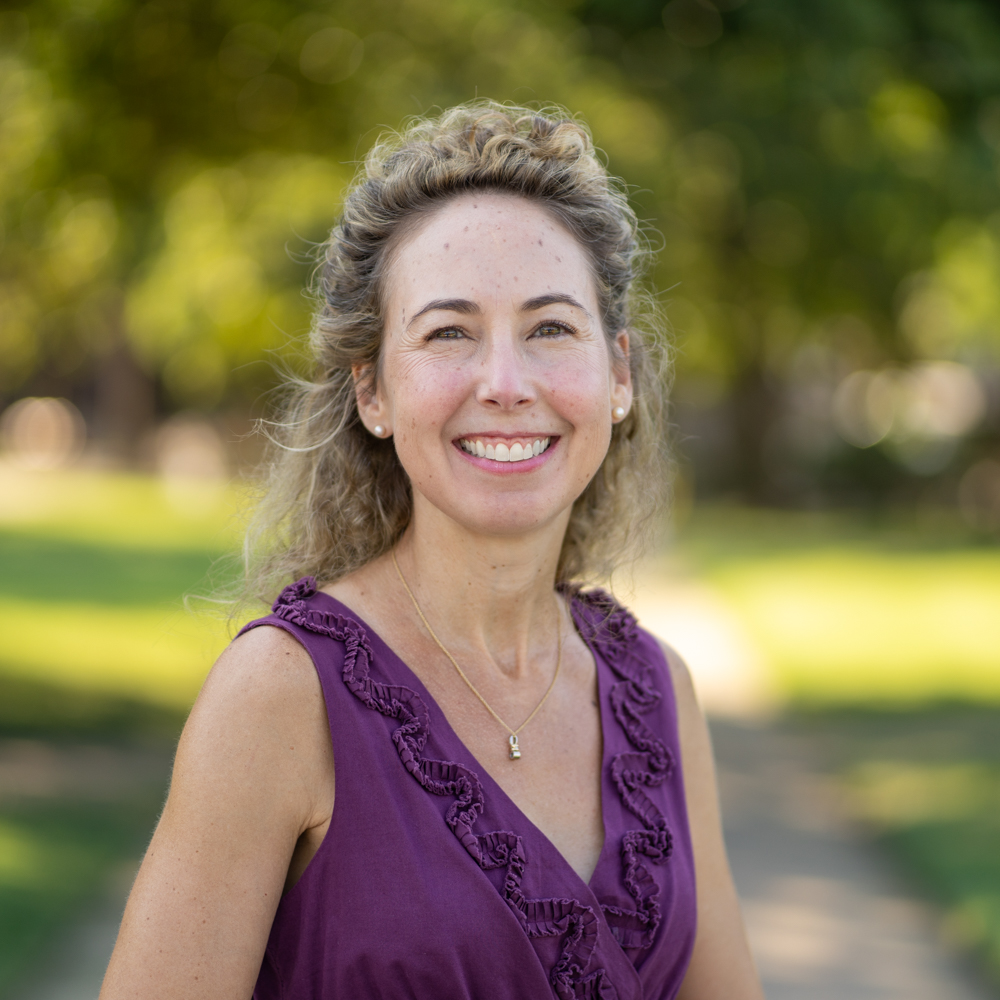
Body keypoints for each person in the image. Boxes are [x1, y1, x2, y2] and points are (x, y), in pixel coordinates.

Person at [100, 102, 763, 1000]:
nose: (505, 384)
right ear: (372, 390)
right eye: (450, 332)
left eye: (550, 329)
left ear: (617, 376)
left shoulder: (658, 691)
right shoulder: (281, 697)